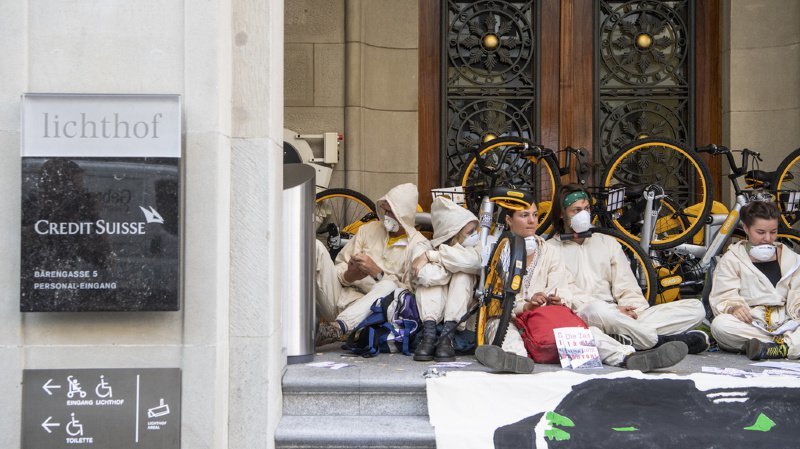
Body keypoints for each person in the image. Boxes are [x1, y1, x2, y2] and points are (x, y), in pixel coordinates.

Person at [475, 192, 689, 373]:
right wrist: (525, 305)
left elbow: (562, 289)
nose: (532, 221)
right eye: (524, 216)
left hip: (545, 318)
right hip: (510, 319)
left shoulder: (548, 250)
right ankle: (517, 362)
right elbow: (495, 300)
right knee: (501, 332)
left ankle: (631, 358)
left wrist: (554, 300)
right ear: (509, 220)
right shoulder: (496, 251)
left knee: (588, 334)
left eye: (535, 215)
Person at [546, 184, 709, 354]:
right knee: (597, 310)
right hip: (586, 315)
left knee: (696, 308)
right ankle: (658, 341)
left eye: (586, 209)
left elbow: (627, 286)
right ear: (561, 213)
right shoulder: (550, 249)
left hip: (620, 315)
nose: (583, 215)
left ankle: (626, 337)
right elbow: (564, 293)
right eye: (576, 210)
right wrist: (613, 311)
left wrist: (633, 312)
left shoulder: (606, 242)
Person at [314, 183, 428, 346]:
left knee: (389, 285)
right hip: (340, 301)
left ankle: (338, 328)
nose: (386, 215)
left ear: (404, 215)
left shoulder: (418, 245)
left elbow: (409, 297)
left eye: (391, 212)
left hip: (373, 316)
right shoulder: (368, 230)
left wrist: (377, 274)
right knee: (315, 246)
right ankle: (292, 321)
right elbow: (339, 266)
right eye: (384, 209)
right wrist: (349, 275)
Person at [709, 200, 800, 360]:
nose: (767, 238)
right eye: (760, 232)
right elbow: (723, 295)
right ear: (746, 228)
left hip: (787, 321)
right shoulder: (732, 259)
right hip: (752, 322)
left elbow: (797, 293)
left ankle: (773, 347)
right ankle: (786, 346)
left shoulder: (792, 259)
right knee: (720, 326)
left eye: (773, 232)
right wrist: (734, 308)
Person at [410, 196, 481, 362]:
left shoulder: (475, 248)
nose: (475, 236)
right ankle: (428, 336)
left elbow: (474, 263)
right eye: (470, 232)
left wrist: (432, 256)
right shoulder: (422, 246)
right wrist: (453, 265)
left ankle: (446, 337)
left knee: (463, 274)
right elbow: (425, 276)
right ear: (453, 234)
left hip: (460, 322)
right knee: (429, 283)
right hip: (430, 316)